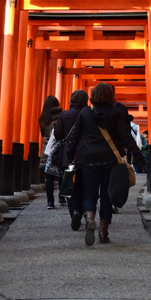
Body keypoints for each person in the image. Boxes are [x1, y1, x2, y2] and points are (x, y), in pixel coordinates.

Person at [64, 82, 143, 246]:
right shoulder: (117, 111)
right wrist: (137, 154)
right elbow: (125, 136)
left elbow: (74, 137)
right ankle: (103, 231)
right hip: (110, 160)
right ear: (110, 95)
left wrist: (70, 157)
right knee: (108, 195)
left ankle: (90, 218)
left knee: (89, 194)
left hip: (89, 159)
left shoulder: (85, 113)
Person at [52, 88, 89, 224]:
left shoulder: (64, 114)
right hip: (86, 154)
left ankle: (74, 211)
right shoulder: (89, 114)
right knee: (85, 187)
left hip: (69, 155)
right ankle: (85, 211)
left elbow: (58, 134)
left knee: (70, 185)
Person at [38, 94, 62, 208]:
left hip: (48, 149)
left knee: (49, 177)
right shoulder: (62, 115)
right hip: (60, 147)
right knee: (62, 173)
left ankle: (50, 202)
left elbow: (43, 134)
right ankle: (62, 198)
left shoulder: (43, 118)